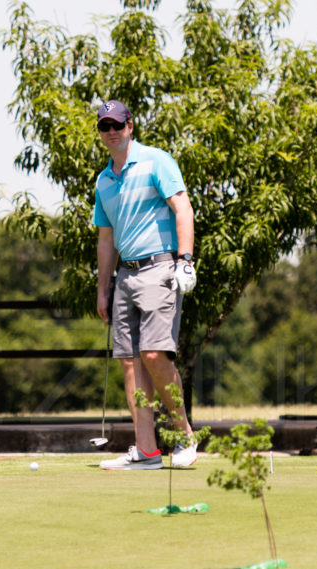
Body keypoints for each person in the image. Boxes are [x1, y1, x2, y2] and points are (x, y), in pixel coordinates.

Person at [93, 100, 199, 470]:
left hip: (160, 267)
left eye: (117, 125)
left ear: (130, 126)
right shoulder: (103, 181)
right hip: (125, 274)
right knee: (130, 362)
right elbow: (106, 239)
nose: (111, 132)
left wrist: (185, 260)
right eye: (104, 126)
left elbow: (182, 209)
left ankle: (183, 434)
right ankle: (147, 450)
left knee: (154, 355)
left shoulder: (157, 161)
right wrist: (102, 288)